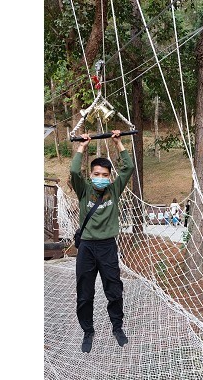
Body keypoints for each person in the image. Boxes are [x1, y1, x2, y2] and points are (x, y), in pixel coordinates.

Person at [70, 130, 135, 353]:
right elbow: (73, 171)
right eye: (96, 173)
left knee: (114, 290)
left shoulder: (114, 190)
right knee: (84, 293)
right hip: (86, 247)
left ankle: (117, 327)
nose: (100, 177)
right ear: (91, 175)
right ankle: (88, 330)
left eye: (104, 174)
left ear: (109, 177)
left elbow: (129, 167)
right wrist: (82, 146)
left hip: (107, 247)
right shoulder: (84, 190)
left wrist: (118, 143)